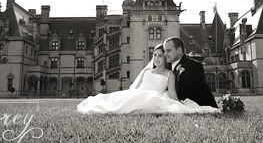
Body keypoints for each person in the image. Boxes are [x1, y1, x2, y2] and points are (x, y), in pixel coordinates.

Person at [76, 44, 220, 114]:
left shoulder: (170, 74)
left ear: (166, 58)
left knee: (147, 100)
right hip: (139, 94)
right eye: (154, 55)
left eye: (160, 55)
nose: (156, 58)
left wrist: (182, 104)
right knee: (117, 100)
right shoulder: (147, 72)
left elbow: (172, 95)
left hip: (154, 96)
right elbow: (135, 89)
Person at [164, 37, 218, 108]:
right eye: (164, 51)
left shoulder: (194, 66)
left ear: (179, 50)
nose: (165, 54)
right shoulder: (165, 66)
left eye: (168, 51)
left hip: (197, 106)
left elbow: (187, 93)